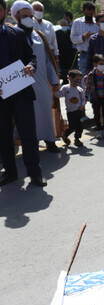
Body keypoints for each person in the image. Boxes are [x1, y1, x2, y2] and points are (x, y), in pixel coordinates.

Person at [0, 0, 46, 187]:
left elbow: (31, 57)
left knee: (28, 134)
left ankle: (35, 173)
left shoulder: (17, 33)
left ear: (3, 12)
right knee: (3, 135)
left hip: (21, 91)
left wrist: (30, 66)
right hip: (1, 95)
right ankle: (10, 172)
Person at [12, 0, 61, 153]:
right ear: (16, 16)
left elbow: (48, 60)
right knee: (24, 118)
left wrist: (54, 80)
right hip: (20, 85)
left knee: (45, 113)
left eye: (30, 15)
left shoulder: (39, 35)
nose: (28, 18)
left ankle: (50, 140)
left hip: (41, 83)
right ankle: (24, 145)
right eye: (24, 15)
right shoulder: (11, 35)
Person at [54, 69, 85, 147]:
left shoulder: (80, 90)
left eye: (80, 80)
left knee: (80, 126)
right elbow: (59, 95)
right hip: (71, 112)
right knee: (72, 126)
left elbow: (83, 99)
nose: (78, 81)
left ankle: (77, 139)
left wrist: (82, 105)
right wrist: (54, 91)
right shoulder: (65, 88)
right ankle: (65, 135)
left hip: (79, 111)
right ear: (70, 78)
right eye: (77, 79)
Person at [84, 54, 104, 139]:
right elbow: (88, 86)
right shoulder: (91, 75)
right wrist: (85, 96)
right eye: (100, 64)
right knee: (97, 115)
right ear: (95, 64)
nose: (102, 65)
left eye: (103, 64)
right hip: (95, 98)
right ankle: (99, 130)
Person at [70, 1, 98, 76]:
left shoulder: (97, 22)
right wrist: (83, 37)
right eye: (87, 14)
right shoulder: (77, 22)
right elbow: (73, 40)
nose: (89, 16)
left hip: (97, 56)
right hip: (84, 55)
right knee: (84, 79)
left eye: (91, 14)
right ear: (83, 11)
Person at [56, 19, 77, 84]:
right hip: (61, 53)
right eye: (62, 25)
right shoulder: (57, 33)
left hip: (70, 53)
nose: (63, 26)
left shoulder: (71, 32)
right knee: (63, 68)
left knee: (71, 67)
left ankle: (72, 80)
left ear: (67, 25)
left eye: (64, 25)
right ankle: (64, 79)